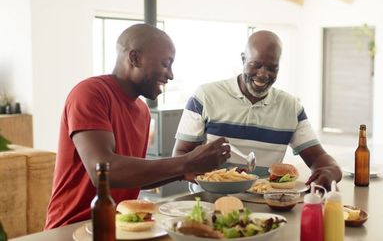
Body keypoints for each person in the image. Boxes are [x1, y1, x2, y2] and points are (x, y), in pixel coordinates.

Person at [45, 24, 230, 229]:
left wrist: (185, 171)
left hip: (118, 226)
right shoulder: (90, 93)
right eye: (165, 64)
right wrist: (185, 162)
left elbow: (133, 177)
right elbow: (105, 172)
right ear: (135, 58)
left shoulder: (142, 111)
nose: (171, 75)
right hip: (71, 227)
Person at [174, 30, 341, 190]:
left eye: (272, 68)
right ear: (243, 59)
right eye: (256, 65)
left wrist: (331, 171)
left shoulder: (291, 107)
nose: (263, 74)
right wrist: (219, 178)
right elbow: (180, 156)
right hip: (208, 202)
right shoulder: (205, 96)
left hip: (263, 204)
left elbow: (320, 159)